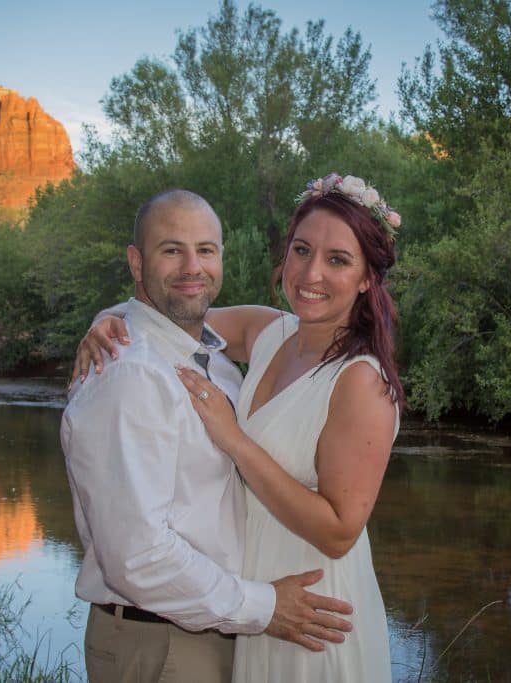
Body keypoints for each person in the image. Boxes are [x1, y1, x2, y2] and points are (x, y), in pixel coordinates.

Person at [73, 174, 403, 681]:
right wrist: (104, 323)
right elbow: (170, 312)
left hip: (312, 605)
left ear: (366, 278)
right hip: (253, 606)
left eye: (338, 259)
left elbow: (339, 532)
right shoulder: (269, 332)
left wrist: (235, 440)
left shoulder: (360, 381)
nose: (312, 272)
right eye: (301, 250)